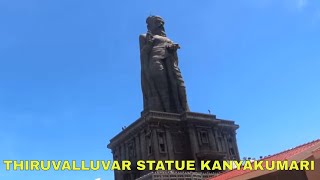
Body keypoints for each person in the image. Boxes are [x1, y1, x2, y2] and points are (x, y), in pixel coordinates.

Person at [139, 15, 190, 113]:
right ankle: (166, 114)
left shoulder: (168, 39)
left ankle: (184, 110)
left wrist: (172, 49)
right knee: (163, 89)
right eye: (158, 22)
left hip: (170, 63)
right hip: (156, 62)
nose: (161, 24)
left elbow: (175, 58)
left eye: (162, 22)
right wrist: (149, 45)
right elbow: (143, 54)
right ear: (150, 25)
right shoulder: (145, 36)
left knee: (180, 85)